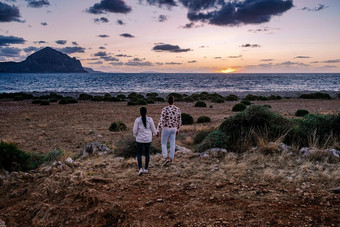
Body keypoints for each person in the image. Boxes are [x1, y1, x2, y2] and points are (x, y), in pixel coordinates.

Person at [157, 95, 182, 164]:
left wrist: (158, 129)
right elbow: (179, 121)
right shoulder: (177, 109)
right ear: (173, 101)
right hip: (174, 129)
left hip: (166, 128)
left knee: (163, 142)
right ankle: (171, 158)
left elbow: (161, 120)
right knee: (172, 143)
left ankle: (165, 157)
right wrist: (178, 129)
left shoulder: (165, 109)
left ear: (168, 101)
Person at [133, 107, 157, 176]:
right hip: (148, 139)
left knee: (139, 154)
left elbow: (135, 130)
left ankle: (140, 168)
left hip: (139, 139)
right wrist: (156, 133)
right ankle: (146, 168)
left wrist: (135, 135)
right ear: (146, 112)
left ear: (140, 112)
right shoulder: (150, 119)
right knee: (147, 153)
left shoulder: (137, 120)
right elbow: (153, 129)